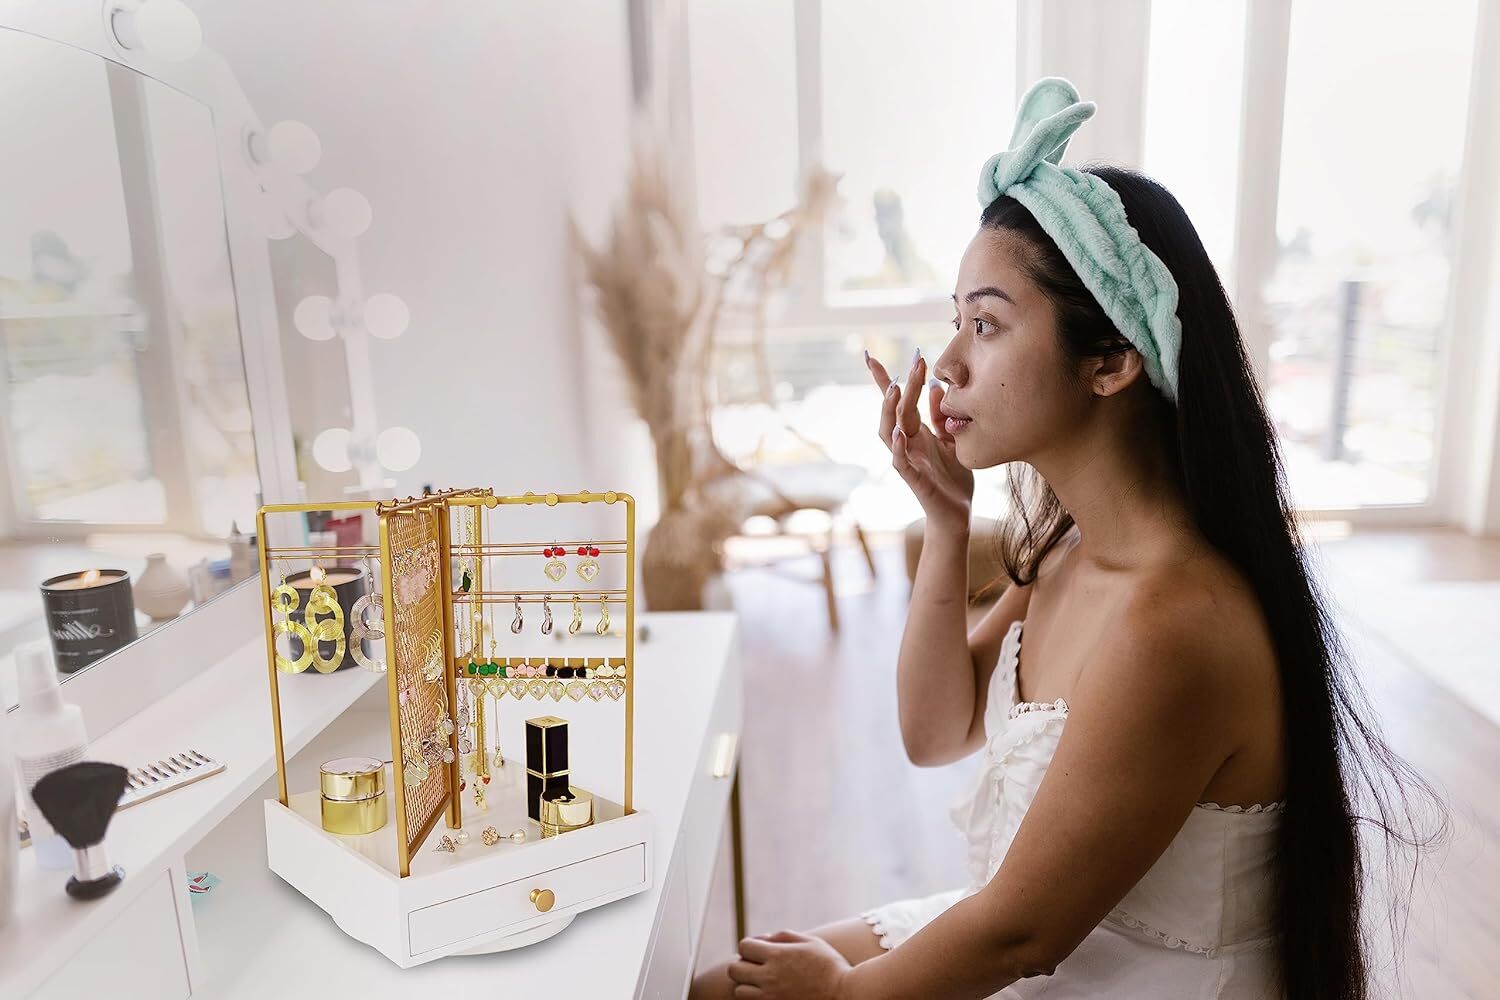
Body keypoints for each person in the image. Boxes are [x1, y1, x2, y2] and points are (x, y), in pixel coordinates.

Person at [688, 77, 1443, 1000]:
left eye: (986, 325)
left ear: (1112, 361)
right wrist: (945, 522)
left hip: (1129, 974)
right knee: (718, 987)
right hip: (1039, 930)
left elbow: (1025, 933)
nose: (949, 363)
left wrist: (843, 995)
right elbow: (935, 731)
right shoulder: (1068, 553)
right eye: (957, 322)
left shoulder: (1175, 621)